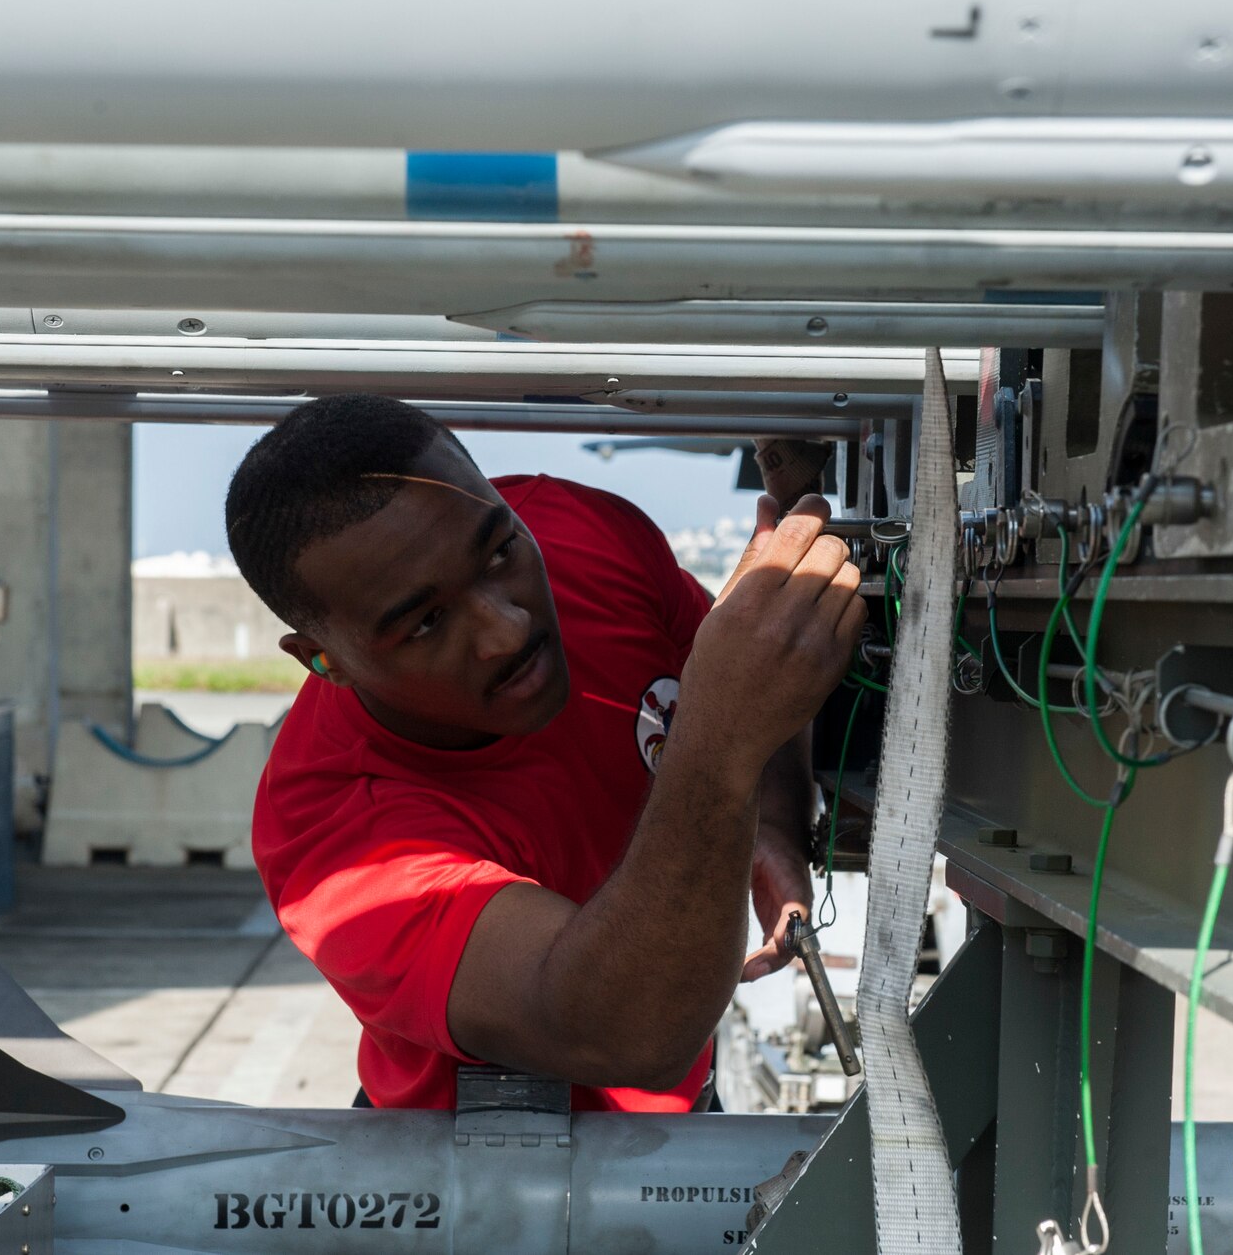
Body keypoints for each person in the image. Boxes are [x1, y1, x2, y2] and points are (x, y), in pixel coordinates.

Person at [226, 397, 859, 1111]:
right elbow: (626, 1032)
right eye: (427, 621)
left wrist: (771, 826)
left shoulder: (583, 532)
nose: (508, 627)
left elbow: (755, 665)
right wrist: (717, 746)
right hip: (464, 1185)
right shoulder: (332, 832)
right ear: (324, 661)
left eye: (500, 552)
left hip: (683, 1119)